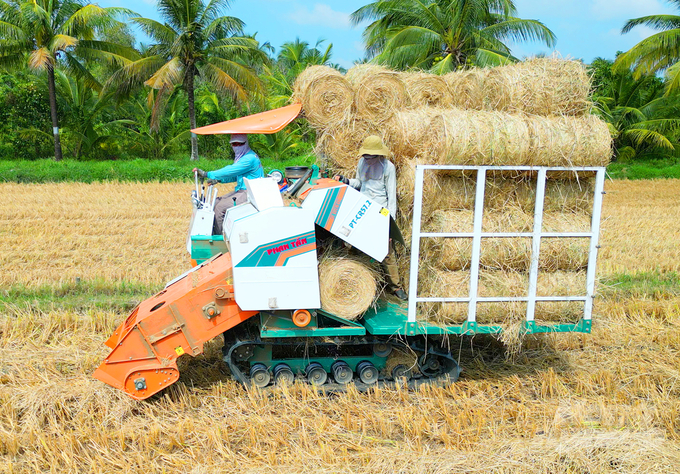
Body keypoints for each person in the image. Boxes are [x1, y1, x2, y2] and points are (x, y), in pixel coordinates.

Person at [334, 135, 407, 300]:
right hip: (363, 209)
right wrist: (346, 181)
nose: (367, 158)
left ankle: (395, 287)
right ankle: (356, 282)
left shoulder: (388, 167)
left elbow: (391, 198)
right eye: (365, 155)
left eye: (370, 156)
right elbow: (360, 183)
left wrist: (390, 226)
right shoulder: (362, 163)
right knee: (354, 245)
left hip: (380, 212)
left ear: (378, 154)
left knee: (386, 252)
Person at [193, 133, 264, 235]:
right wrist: (219, 180)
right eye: (234, 144)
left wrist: (207, 174)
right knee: (214, 203)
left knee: (219, 208)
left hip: (250, 192)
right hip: (241, 190)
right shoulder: (242, 157)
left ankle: (221, 239)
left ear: (246, 143)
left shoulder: (249, 158)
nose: (237, 146)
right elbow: (236, 176)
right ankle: (210, 232)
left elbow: (231, 170)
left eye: (240, 144)